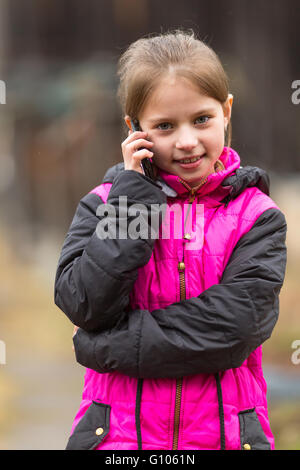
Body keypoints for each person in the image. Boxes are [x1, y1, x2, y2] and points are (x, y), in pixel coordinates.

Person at [54, 30, 287, 450]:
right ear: (135, 130)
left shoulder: (258, 218)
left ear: (226, 111)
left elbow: (230, 330)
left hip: (224, 438)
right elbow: (85, 302)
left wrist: (102, 345)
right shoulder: (106, 205)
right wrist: (135, 201)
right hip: (120, 441)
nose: (186, 141)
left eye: (201, 119)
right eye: (164, 126)